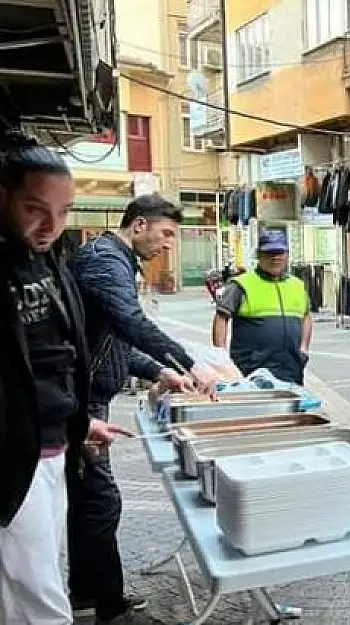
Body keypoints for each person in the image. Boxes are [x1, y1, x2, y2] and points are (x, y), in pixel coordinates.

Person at [0, 144, 130, 625]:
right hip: (14, 457)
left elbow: (59, 358)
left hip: (55, 447)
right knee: (39, 596)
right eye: (35, 209)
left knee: (35, 579)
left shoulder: (51, 262)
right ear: (3, 198)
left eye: (62, 212)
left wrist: (80, 422)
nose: (50, 225)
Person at [67, 193, 205, 623]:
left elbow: (114, 342)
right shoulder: (108, 262)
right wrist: (189, 362)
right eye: (165, 233)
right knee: (100, 501)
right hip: (80, 401)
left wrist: (159, 371)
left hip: (89, 396)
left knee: (88, 500)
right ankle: (104, 607)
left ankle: (86, 592)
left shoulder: (114, 260)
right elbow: (130, 323)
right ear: (139, 225)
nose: (168, 244)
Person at [212, 230, 313, 385]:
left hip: (291, 369)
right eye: (269, 253)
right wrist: (221, 357)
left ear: (287, 254)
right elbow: (221, 317)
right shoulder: (241, 284)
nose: (275, 257)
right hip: (251, 371)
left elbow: (306, 316)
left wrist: (303, 349)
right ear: (259, 255)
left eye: (279, 252)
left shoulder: (297, 285)